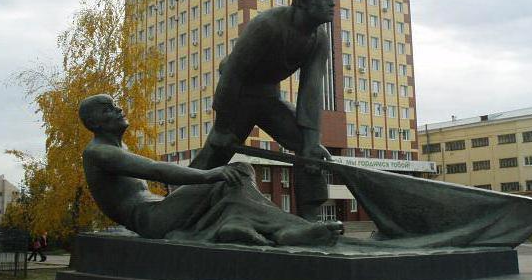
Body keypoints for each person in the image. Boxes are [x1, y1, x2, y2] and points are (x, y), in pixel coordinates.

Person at [79, 94, 342, 246]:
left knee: (234, 183)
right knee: (237, 171)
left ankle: (234, 226)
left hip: (159, 211)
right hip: (151, 221)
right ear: (94, 122)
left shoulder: (116, 147)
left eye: (115, 104)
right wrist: (208, 175)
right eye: (108, 109)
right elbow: (156, 169)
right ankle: (288, 230)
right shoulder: (99, 152)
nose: (118, 109)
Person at [190, 0, 336, 220]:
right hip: (239, 97)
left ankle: (311, 220)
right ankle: (178, 203)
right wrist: (224, 126)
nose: (333, 5)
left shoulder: (319, 39)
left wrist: (312, 139)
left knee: (309, 150)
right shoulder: (267, 25)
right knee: (214, 154)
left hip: (269, 98)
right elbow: (232, 74)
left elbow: (311, 89)